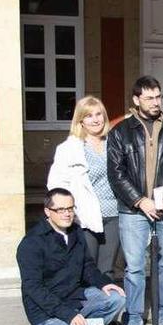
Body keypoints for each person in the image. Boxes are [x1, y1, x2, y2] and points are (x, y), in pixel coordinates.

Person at [108, 75, 163, 325]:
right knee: (133, 268)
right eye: (150, 98)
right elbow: (115, 174)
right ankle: (133, 320)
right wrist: (139, 201)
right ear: (136, 100)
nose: (156, 102)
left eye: (158, 97)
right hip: (133, 211)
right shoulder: (120, 132)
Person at [18, 188, 126, 325]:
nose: (67, 214)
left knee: (116, 297)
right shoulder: (32, 243)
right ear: (47, 211)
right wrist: (68, 315)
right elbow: (34, 288)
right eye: (61, 209)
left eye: (70, 208)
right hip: (45, 311)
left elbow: (87, 266)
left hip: (73, 298)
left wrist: (103, 283)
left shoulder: (75, 232)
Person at [47, 96, 121, 279]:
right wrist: (67, 212)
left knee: (107, 270)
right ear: (80, 121)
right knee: (86, 268)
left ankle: (109, 307)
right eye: (88, 116)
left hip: (114, 215)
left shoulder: (115, 143)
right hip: (86, 216)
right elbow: (56, 184)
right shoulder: (69, 148)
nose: (95, 119)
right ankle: (86, 307)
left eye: (98, 114)